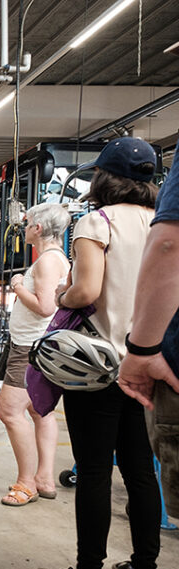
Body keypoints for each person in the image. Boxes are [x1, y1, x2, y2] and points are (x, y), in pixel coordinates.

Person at [55, 137, 161, 569]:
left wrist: (63, 296)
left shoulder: (97, 223)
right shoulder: (163, 223)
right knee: (141, 473)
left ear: (103, 177)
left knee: (95, 471)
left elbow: (86, 292)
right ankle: (146, 563)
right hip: (149, 365)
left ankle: (89, 564)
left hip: (100, 369)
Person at [117, 139, 179, 522]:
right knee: (139, 467)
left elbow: (170, 245)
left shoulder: (96, 222)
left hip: (153, 369)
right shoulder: (148, 212)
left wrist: (141, 350)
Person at [0, 203, 71, 506]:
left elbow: (45, 306)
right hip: (37, 345)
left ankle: (26, 483)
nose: (24, 228)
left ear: (37, 229)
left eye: (27, 224)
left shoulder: (47, 262)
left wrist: (16, 285)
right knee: (40, 411)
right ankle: (44, 478)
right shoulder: (54, 259)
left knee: (9, 411)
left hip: (30, 348)